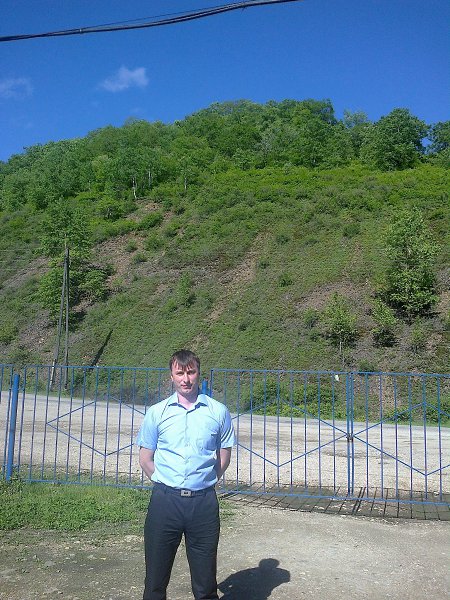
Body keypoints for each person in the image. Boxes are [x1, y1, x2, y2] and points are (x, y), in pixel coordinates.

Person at [136, 349, 235, 600]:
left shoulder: (218, 412)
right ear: (171, 376)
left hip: (203, 505)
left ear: (199, 374)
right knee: (155, 581)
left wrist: (203, 481)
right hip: (165, 503)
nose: (186, 379)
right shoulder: (157, 413)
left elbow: (223, 457)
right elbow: (145, 458)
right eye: (180, 373)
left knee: (205, 584)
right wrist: (165, 483)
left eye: (191, 372)